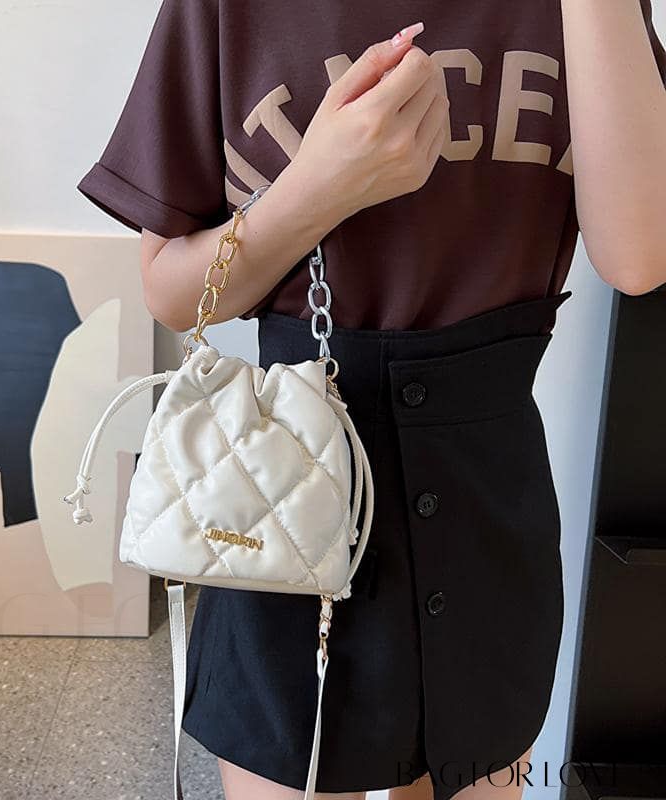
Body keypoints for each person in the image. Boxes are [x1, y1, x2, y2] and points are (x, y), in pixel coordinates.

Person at [76, 2, 666, 798]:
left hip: (487, 512)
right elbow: (175, 293)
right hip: (280, 498)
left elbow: (639, 256)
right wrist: (318, 189)